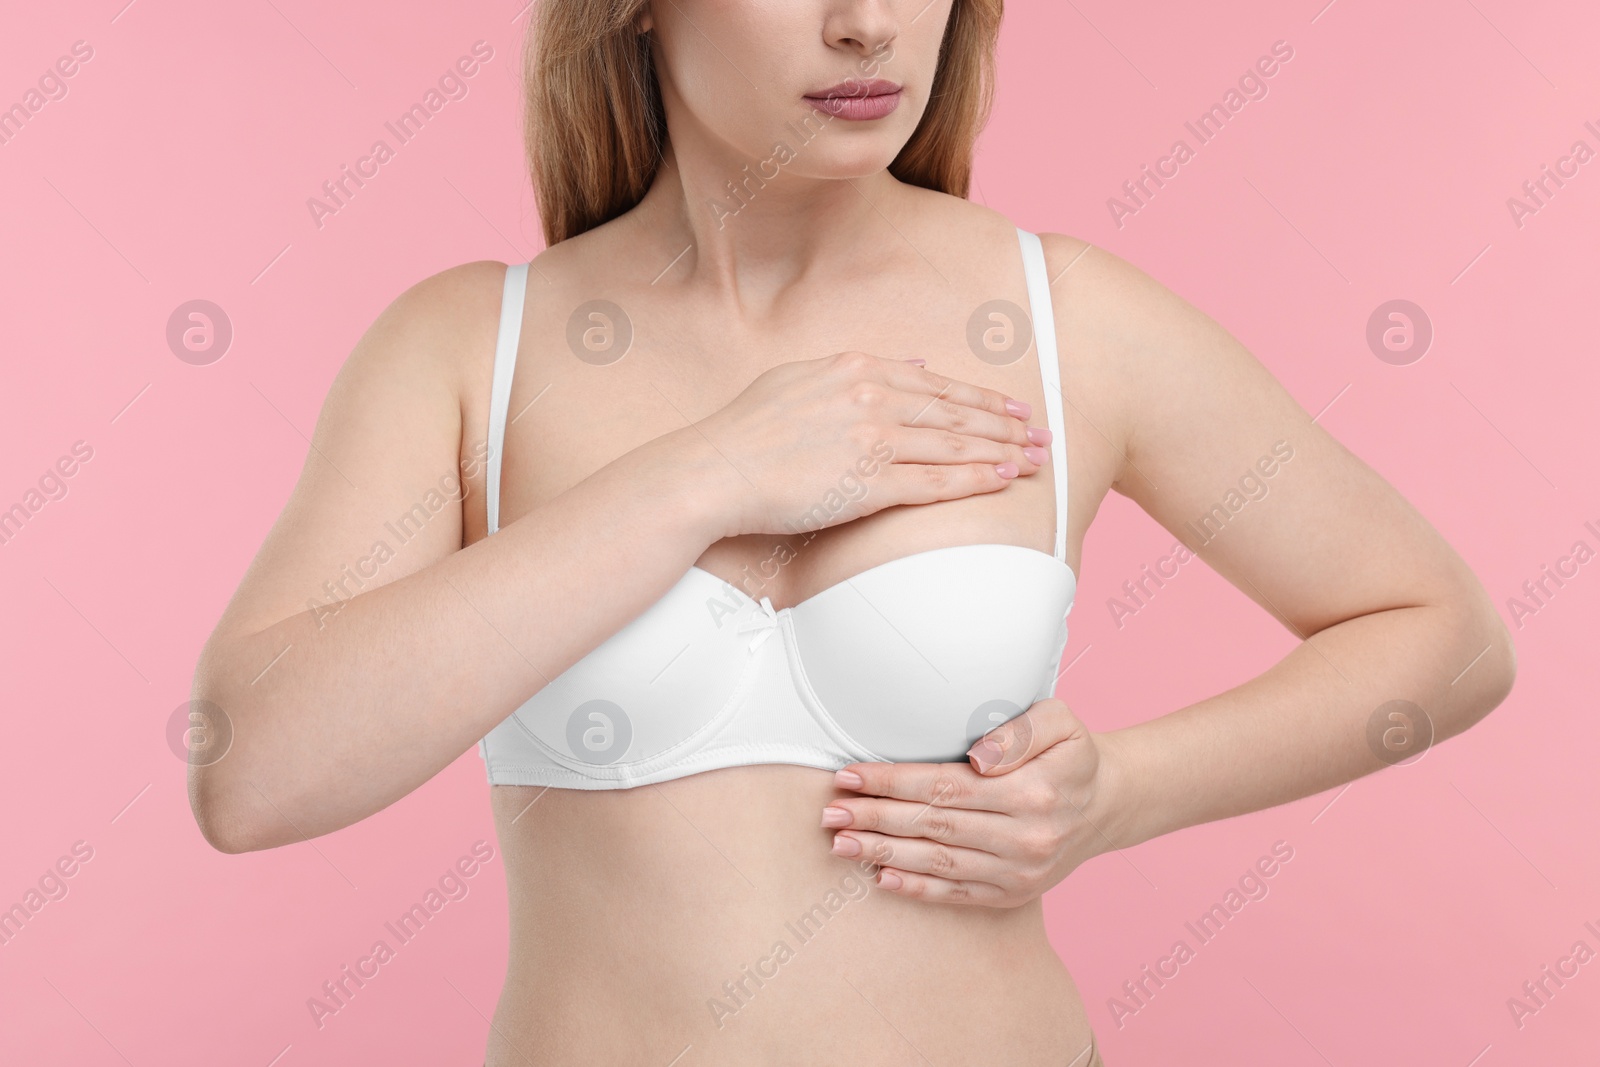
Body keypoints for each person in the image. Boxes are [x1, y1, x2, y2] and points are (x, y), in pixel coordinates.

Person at [188, 2, 1516, 1063]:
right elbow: (253, 776)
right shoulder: (473, 347)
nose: (869, 25)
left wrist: (1125, 794)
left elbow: (1442, 638)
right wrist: (703, 475)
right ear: (638, 9)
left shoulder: (1069, 325)